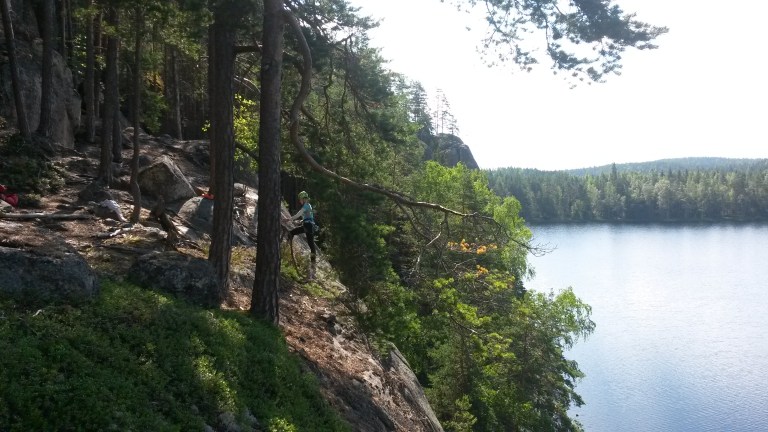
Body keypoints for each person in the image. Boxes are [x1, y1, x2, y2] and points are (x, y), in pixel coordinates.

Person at [285, 191, 317, 277]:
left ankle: (286, 250)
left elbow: (298, 214)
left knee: (291, 233)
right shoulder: (309, 206)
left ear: (303, 199)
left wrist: (289, 219)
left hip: (308, 226)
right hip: (309, 226)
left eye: (300, 199)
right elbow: (308, 217)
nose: (299, 201)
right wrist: (300, 221)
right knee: (311, 245)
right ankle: (313, 264)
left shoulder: (305, 206)